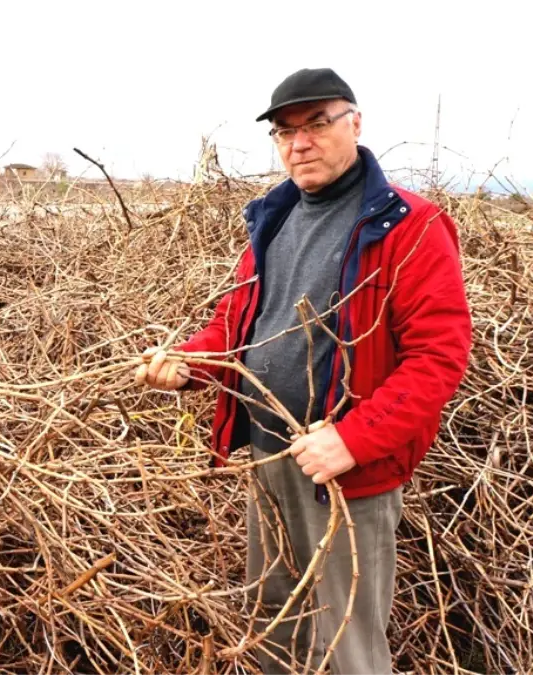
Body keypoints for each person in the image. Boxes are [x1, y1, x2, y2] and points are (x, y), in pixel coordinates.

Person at [135, 68, 471, 673]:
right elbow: (238, 326)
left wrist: (352, 438)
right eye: (285, 132)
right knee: (272, 621)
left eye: (318, 124)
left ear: (356, 124)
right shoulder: (275, 217)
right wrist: (191, 362)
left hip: (346, 471)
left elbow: (439, 357)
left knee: (348, 645)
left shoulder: (408, 226)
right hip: (269, 455)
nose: (300, 143)